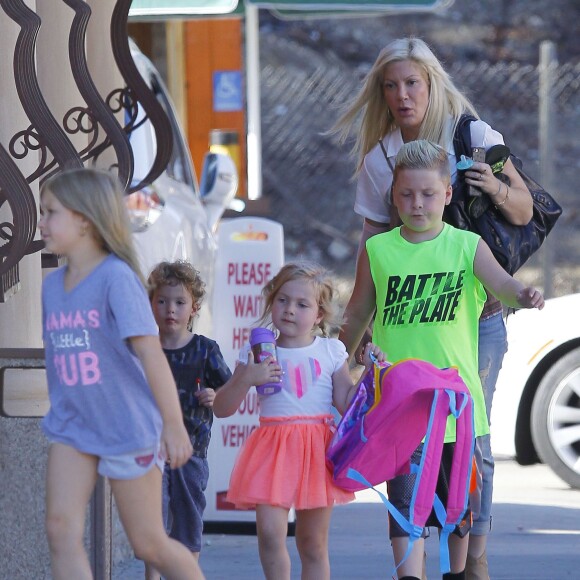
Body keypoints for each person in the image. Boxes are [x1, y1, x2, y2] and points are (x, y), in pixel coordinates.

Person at [331, 37, 534, 579]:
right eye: (390, 85)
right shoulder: (380, 161)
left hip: (478, 320)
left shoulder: (472, 135)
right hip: (409, 336)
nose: (402, 95)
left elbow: (524, 209)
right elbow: (370, 259)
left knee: (471, 447)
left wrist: (490, 184)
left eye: (412, 83)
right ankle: (430, 562)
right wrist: (337, 353)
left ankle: (471, 564)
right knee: (415, 458)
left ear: (432, 83)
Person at [38, 168, 204, 580]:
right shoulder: (51, 286)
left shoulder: (116, 279)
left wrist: (173, 424)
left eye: (50, 212)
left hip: (127, 426)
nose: (41, 222)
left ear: (85, 219)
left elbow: (151, 355)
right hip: (73, 426)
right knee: (60, 530)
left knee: (148, 543)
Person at [213, 262, 384, 580]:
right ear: (271, 302)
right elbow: (222, 408)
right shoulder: (256, 353)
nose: (290, 310)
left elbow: (346, 403)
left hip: (316, 450)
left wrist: (371, 374)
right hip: (271, 448)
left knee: (312, 543)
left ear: (319, 315)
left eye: (302, 304)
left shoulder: (330, 351)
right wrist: (246, 379)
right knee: (268, 532)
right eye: (282, 300)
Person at [144, 261, 232, 580]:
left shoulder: (205, 350)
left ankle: (188, 572)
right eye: (162, 301)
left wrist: (213, 395)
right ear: (151, 303)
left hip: (191, 453)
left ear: (193, 307)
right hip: (150, 452)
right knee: (153, 523)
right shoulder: (144, 349)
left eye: (180, 302)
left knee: (188, 523)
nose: (171, 309)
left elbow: (228, 390)